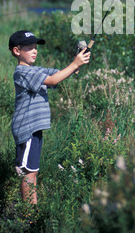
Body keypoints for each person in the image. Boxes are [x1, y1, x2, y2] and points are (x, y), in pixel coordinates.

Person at [9, 30, 90, 204]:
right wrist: (74, 65)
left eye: (35, 47)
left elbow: (58, 75)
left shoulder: (36, 70)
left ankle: (33, 214)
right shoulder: (22, 72)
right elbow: (53, 81)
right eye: (29, 47)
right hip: (26, 129)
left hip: (34, 129)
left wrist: (77, 62)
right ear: (17, 51)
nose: (34, 51)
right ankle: (28, 217)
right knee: (27, 173)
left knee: (33, 171)